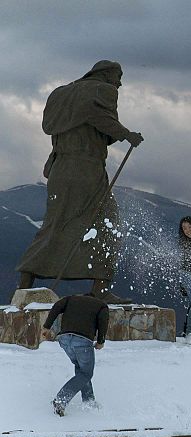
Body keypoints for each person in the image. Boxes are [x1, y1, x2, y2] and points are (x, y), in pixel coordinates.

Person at [16, 60, 144, 304]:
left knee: (54, 224)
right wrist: (125, 134)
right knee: (108, 223)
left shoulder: (60, 93)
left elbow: (65, 126)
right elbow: (100, 119)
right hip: (86, 168)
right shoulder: (103, 90)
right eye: (118, 76)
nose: (120, 82)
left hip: (59, 169)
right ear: (106, 74)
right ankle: (101, 289)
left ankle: (25, 282)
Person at [42, 293, 109, 417]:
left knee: (81, 369)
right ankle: (60, 400)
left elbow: (57, 306)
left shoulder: (71, 298)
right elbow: (103, 322)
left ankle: (89, 402)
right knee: (86, 373)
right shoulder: (101, 305)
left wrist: (47, 326)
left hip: (64, 339)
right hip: (82, 341)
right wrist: (100, 341)